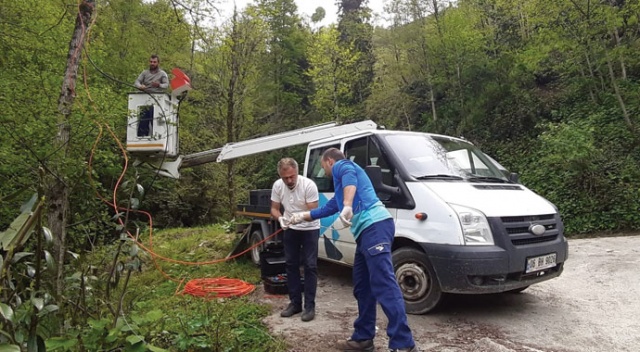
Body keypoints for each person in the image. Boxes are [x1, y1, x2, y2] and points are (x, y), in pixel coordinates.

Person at [288, 148, 418, 352]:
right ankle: (363, 338)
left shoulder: (343, 165)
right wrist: (301, 217)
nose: (325, 172)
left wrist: (347, 205)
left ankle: (403, 344)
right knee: (362, 287)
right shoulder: (341, 190)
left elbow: (348, 176)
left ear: (329, 161)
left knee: (383, 284)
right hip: (366, 233)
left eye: (323, 167)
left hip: (375, 226)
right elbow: (327, 208)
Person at [271, 158, 320, 322]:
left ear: (297, 172)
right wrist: (280, 219)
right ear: (280, 176)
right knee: (291, 264)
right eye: (285, 178)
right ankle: (295, 303)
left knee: (310, 265)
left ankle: (310, 306)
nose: (289, 180)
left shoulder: (308, 185)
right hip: (290, 228)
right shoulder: (278, 186)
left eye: (292, 176)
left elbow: (314, 209)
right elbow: (274, 208)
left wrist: (301, 217)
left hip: (310, 228)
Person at [134, 55, 168, 137]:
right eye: (151, 62)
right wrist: (140, 86)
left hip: (157, 100)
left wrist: (159, 85)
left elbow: (166, 85)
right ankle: (142, 137)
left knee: (155, 119)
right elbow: (137, 82)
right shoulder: (144, 73)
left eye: (154, 62)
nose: (152, 63)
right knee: (143, 120)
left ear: (158, 63)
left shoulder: (162, 73)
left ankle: (156, 137)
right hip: (144, 99)